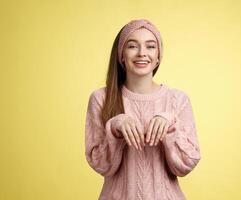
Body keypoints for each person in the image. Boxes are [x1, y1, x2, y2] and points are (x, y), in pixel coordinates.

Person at [85, 19, 201, 200]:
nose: (142, 53)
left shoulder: (178, 100)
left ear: (158, 57)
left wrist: (170, 125)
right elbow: (100, 165)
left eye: (150, 46)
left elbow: (187, 164)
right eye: (132, 46)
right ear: (121, 54)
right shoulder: (101, 99)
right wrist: (114, 127)